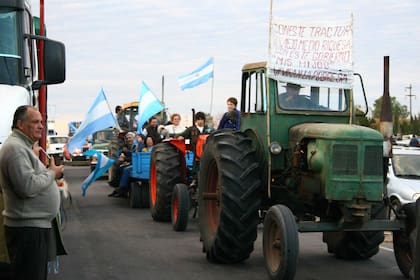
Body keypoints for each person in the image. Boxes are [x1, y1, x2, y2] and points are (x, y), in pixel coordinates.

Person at [0, 105, 65, 280]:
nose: (41, 126)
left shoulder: (23, 147)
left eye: (42, 122)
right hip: (27, 230)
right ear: (20, 124)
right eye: (35, 122)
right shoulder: (15, 149)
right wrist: (52, 173)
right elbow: (27, 187)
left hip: (32, 228)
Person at [108, 132, 136, 197]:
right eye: (127, 138)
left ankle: (121, 189)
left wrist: (127, 161)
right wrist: (121, 156)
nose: (129, 139)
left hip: (132, 162)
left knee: (124, 169)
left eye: (130, 138)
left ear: (133, 138)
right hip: (128, 161)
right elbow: (121, 153)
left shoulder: (136, 146)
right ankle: (117, 186)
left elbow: (135, 156)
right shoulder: (125, 146)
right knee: (118, 166)